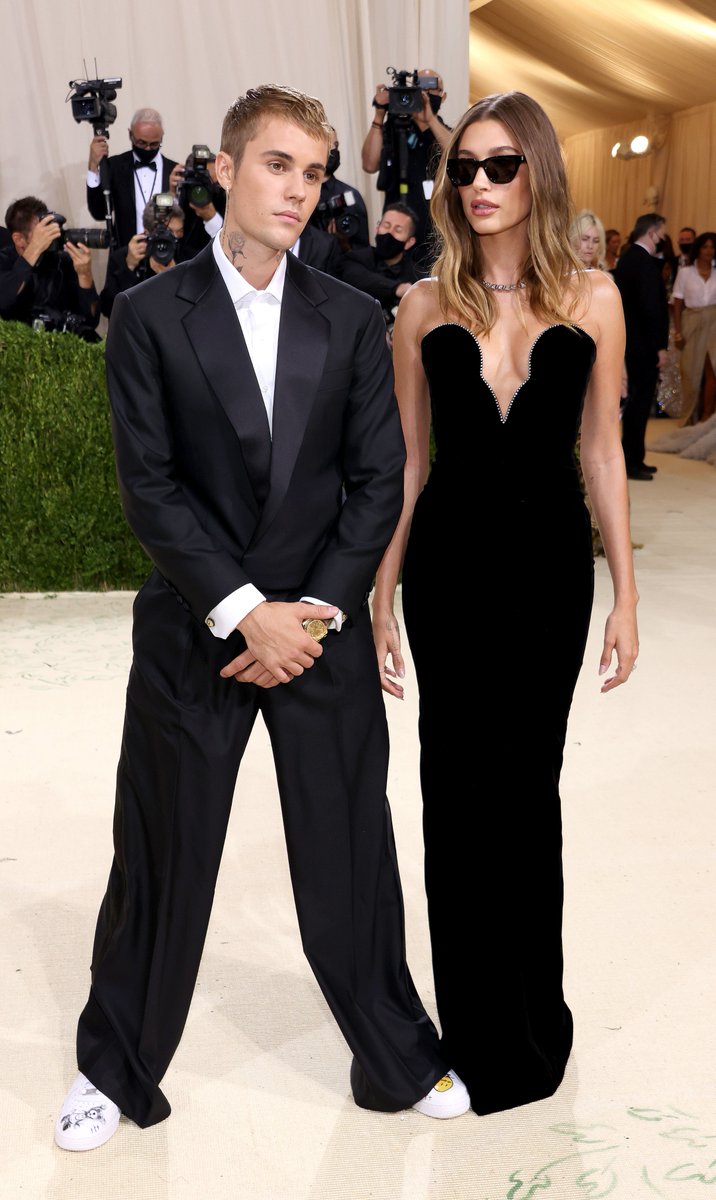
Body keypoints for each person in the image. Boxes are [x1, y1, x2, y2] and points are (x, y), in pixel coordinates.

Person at [54, 83, 468, 1154]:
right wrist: (246, 614)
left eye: (315, 172)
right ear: (227, 171)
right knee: (162, 848)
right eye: (278, 165)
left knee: (350, 846)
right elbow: (150, 490)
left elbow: (377, 481)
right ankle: (114, 1064)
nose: (299, 190)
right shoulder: (149, 314)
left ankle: (397, 1054)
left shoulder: (353, 316)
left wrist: (312, 614)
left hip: (318, 630)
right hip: (196, 625)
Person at [372, 91, 639, 1117]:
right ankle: (473, 1030)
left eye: (498, 165)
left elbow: (603, 453)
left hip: (548, 575)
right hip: (447, 573)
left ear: (537, 172)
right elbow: (407, 462)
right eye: (463, 168)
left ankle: (532, 1025)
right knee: (453, 793)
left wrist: (624, 596)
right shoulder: (419, 305)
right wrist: (383, 589)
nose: (477, 185)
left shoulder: (595, 296)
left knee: (526, 793)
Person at [362, 69, 451, 268]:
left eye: (431, 89)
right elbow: (369, 164)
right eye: (420, 89)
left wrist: (429, 120)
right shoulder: (395, 128)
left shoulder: (445, 134)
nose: (425, 94)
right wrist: (379, 115)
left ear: (443, 96)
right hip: (397, 231)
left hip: (433, 229)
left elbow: (456, 156)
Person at [615, 213, 669, 479]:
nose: (663, 238)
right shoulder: (644, 262)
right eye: (662, 233)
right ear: (652, 233)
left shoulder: (627, 258)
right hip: (643, 346)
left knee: (635, 403)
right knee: (639, 403)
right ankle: (632, 461)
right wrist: (660, 346)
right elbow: (652, 308)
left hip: (630, 342)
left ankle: (635, 457)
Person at [0, 197, 99, 337]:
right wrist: (34, 249)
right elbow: (4, 299)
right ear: (18, 239)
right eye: (42, 232)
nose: (49, 237)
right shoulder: (5, 260)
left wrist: (85, 275)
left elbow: (90, 322)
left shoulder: (61, 261)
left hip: (63, 344)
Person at [86, 107, 180, 247]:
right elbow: (99, 213)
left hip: (168, 253)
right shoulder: (115, 166)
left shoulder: (175, 172)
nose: (147, 148)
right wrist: (93, 167)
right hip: (126, 255)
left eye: (154, 144)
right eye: (142, 143)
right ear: (130, 135)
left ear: (162, 137)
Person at [99, 199, 186, 318]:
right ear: (147, 232)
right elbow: (108, 309)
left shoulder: (187, 258)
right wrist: (129, 267)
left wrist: (173, 278)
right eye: (169, 233)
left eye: (179, 232)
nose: (175, 239)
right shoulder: (123, 257)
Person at [340, 202, 422, 325]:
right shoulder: (354, 259)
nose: (389, 233)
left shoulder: (417, 276)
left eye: (398, 230)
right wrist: (397, 288)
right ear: (377, 228)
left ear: (409, 242)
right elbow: (355, 278)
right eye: (386, 225)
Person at [672, 230, 716, 423]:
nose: (709, 251)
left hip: (714, 324)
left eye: (712, 247)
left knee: (712, 370)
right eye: (705, 247)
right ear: (698, 249)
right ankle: (690, 415)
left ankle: (707, 416)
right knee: (690, 372)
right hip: (692, 323)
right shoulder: (685, 273)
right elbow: (677, 303)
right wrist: (678, 332)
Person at [309, 126, 370, 249]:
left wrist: (343, 244)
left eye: (335, 146)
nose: (333, 150)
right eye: (328, 145)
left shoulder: (351, 196)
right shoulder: (299, 192)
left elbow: (362, 251)